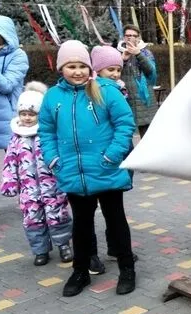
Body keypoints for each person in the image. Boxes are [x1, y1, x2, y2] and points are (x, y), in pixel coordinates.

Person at [38, 40, 136, 297]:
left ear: (90, 67)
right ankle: (80, 271)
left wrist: (112, 155)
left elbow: (125, 123)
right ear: (61, 68)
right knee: (81, 225)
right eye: (71, 66)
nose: (78, 71)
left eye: (82, 66)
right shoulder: (53, 97)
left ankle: (127, 269)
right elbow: (46, 131)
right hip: (73, 172)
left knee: (116, 221)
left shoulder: (105, 90)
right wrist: (53, 159)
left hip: (106, 169)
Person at [0, 82, 73, 266]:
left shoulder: (47, 134)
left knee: (57, 214)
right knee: (33, 218)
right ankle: (40, 250)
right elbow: (10, 162)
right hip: (28, 189)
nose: (27, 118)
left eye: (32, 114)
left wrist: (65, 175)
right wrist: (9, 183)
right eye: (23, 114)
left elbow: (60, 156)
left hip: (52, 186)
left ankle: (63, 245)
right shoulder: (16, 138)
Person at [90, 46, 139, 270]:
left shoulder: (118, 89)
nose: (115, 74)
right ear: (98, 69)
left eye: (118, 69)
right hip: (100, 158)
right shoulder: (93, 91)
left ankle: (116, 248)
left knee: (113, 208)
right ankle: (93, 253)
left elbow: (124, 123)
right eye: (110, 69)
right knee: (91, 210)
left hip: (116, 155)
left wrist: (118, 152)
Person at [0, 15, 29, 233]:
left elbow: (6, 86)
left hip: (8, 119)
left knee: (19, 164)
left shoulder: (18, 56)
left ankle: (29, 202)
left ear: (4, 36)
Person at [120, 25, 158, 138]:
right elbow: (112, 74)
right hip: (125, 98)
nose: (131, 38)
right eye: (128, 35)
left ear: (138, 37)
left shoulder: (146, 53)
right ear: (124, 37)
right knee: (125, 133)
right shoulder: (117, 52)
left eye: (134, 35)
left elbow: (151, 72)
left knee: (147, 136)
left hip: (144, 99)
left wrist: (138, 54)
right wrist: (123, 60)